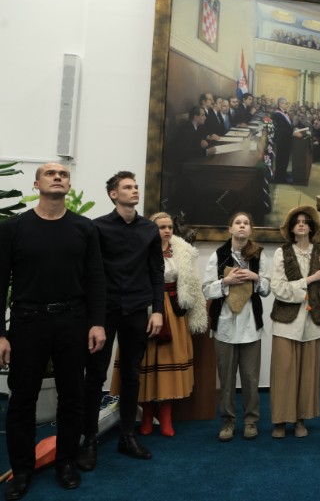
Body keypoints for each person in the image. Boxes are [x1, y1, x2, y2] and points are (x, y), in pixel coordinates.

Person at [0, 163, 106, 499]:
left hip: (72, 321)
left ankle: (66, 463)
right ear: (37, 183)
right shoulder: (13, 228)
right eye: (50, 173)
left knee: (72, 396)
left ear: (68, 184)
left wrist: (97, 322)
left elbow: (95, 280)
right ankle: (22, 470)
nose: (58, 176)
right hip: (27, 322)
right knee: (22, 400)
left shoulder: (84, 229)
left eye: (63, 174)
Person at [79, 171, 164, 470]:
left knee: (131, 375)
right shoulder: (97, 227)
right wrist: (93, 318)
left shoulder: (149, 229)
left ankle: (127, 435)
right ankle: (88, 439)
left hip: (138, 310)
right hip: (105, 313)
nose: (135, 190)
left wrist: (157, 310)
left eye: (136, 186)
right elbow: (89, 274)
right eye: (127, 187)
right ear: (114, 194)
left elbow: (156, 272)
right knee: (95, 376)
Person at [109, 212, 207, 437]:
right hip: (145, 309)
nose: (166, 230)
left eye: (170, 226)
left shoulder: (183, 252)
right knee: (143, 361)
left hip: (173, 310)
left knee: (169, 360)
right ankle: (145, 414)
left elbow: (191, 284)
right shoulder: (139, 250)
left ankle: (165, 415)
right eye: (161, 227)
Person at [268, 206, 320, 438]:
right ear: (291, 228)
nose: (301, 224)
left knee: (306, 376)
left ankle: (299, 419)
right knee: (284, 373)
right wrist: (309, 279)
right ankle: (280, 420)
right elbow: (278, 288)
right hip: (286, 322)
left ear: (312, 227)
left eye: (306, 221)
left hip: (312, 322)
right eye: (297, 221)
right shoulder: (282, 252)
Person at [203, 212, 270, 441]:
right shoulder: (218, 255)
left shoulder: (259, 255)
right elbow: (205, 289)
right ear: (230, 229)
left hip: (251, 326)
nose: (242, 226)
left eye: (246, 223)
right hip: (225, 326)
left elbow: (267, 289)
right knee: (227, 378)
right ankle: (228, 422)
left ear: (251, 229)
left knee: (251, 378)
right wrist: (226, 282)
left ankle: (251, 421)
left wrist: (256, 277)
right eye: (238, 223)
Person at [271, 97, 304, 183]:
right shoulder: (277, 114)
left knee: (285, 158)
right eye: (286, 103)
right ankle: (279, 177)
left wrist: (294, 129)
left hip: (286, 140)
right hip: (282, 140)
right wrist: (293, 133)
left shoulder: (284, 113)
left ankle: (284, 173)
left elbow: (288, 125)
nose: (287, 105)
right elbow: (282, 129)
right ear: (280, 104)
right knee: (281, 158)